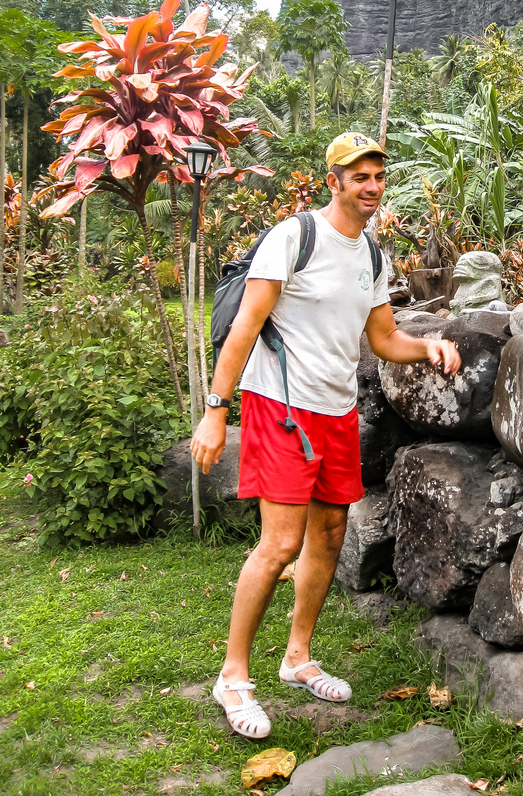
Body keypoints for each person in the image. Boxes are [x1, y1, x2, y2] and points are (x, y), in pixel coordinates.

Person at [190, 131, 461, 739]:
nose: (370, 187)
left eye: (377, 177)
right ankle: (233, 678)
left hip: (335, 412)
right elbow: (244, 326)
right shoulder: (294, 238)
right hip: (280, 405)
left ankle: (298, 657)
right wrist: (216, 410)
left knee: (332, 533)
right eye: (357, 176)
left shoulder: (372, 256)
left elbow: (383, 340)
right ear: (332, 180)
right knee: (280, 543)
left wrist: (429, 346)